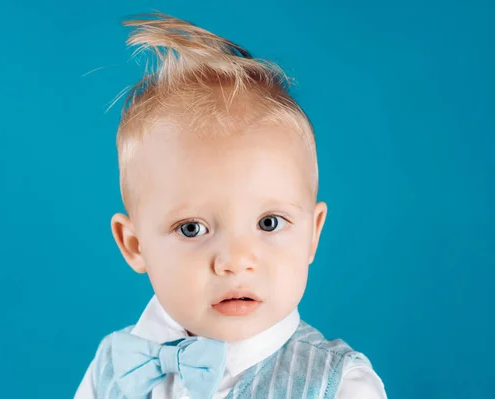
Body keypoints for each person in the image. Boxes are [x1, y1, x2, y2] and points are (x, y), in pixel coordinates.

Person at [74, 11, 387, 399]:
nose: (237, 260)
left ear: (312, 234)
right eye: (192, 228)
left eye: (270, 223)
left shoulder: (337, 385)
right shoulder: (115, 367)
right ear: (135, 245)